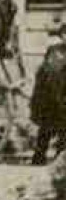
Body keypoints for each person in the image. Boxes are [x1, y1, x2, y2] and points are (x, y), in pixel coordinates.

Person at [33, 17, 66, 166]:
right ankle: (39, 158)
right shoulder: (54, 51)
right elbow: (47, 74)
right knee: (45, 130)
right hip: (49, 98)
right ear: (62, 35)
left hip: (61, 98)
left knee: (62, 132)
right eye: (65, 34)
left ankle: (59, 161)